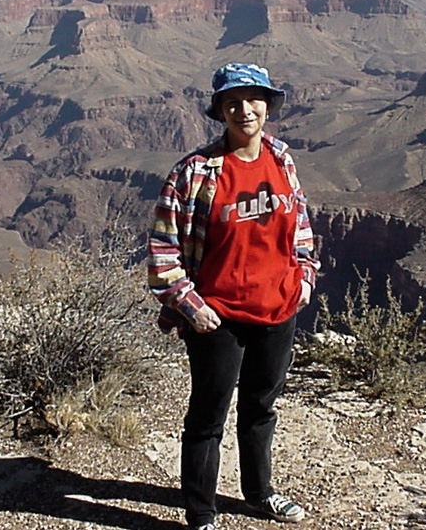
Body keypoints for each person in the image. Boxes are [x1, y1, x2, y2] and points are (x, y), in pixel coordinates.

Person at [148, 63, 321, 530]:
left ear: (268, 105)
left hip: (279, 308)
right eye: (233, 102)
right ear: (220, 111)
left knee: (261, 407)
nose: (245, 110)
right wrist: (189, 305)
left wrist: (304, 277)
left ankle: (259, 493)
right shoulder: (196, 172)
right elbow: (163, 249)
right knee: (208, 415)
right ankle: (202, 511)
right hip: (217, 316)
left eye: (253, 100)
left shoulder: (282, 159)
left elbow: (299, 226)